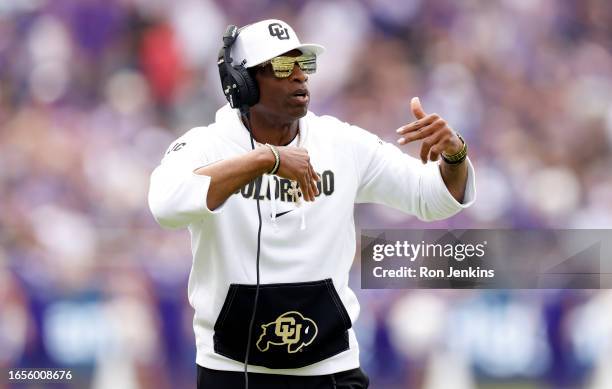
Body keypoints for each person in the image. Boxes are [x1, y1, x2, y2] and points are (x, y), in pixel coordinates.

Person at [148, 19, 475, 389]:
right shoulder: (205, 144)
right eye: (284, 67)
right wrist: (265, 160)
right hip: (231, 369)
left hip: (331, 368)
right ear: (242, 83)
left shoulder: (340, 142)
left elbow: (431, 198)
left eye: (305, 65)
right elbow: (165, 204)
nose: (300, 76)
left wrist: (455, 155)